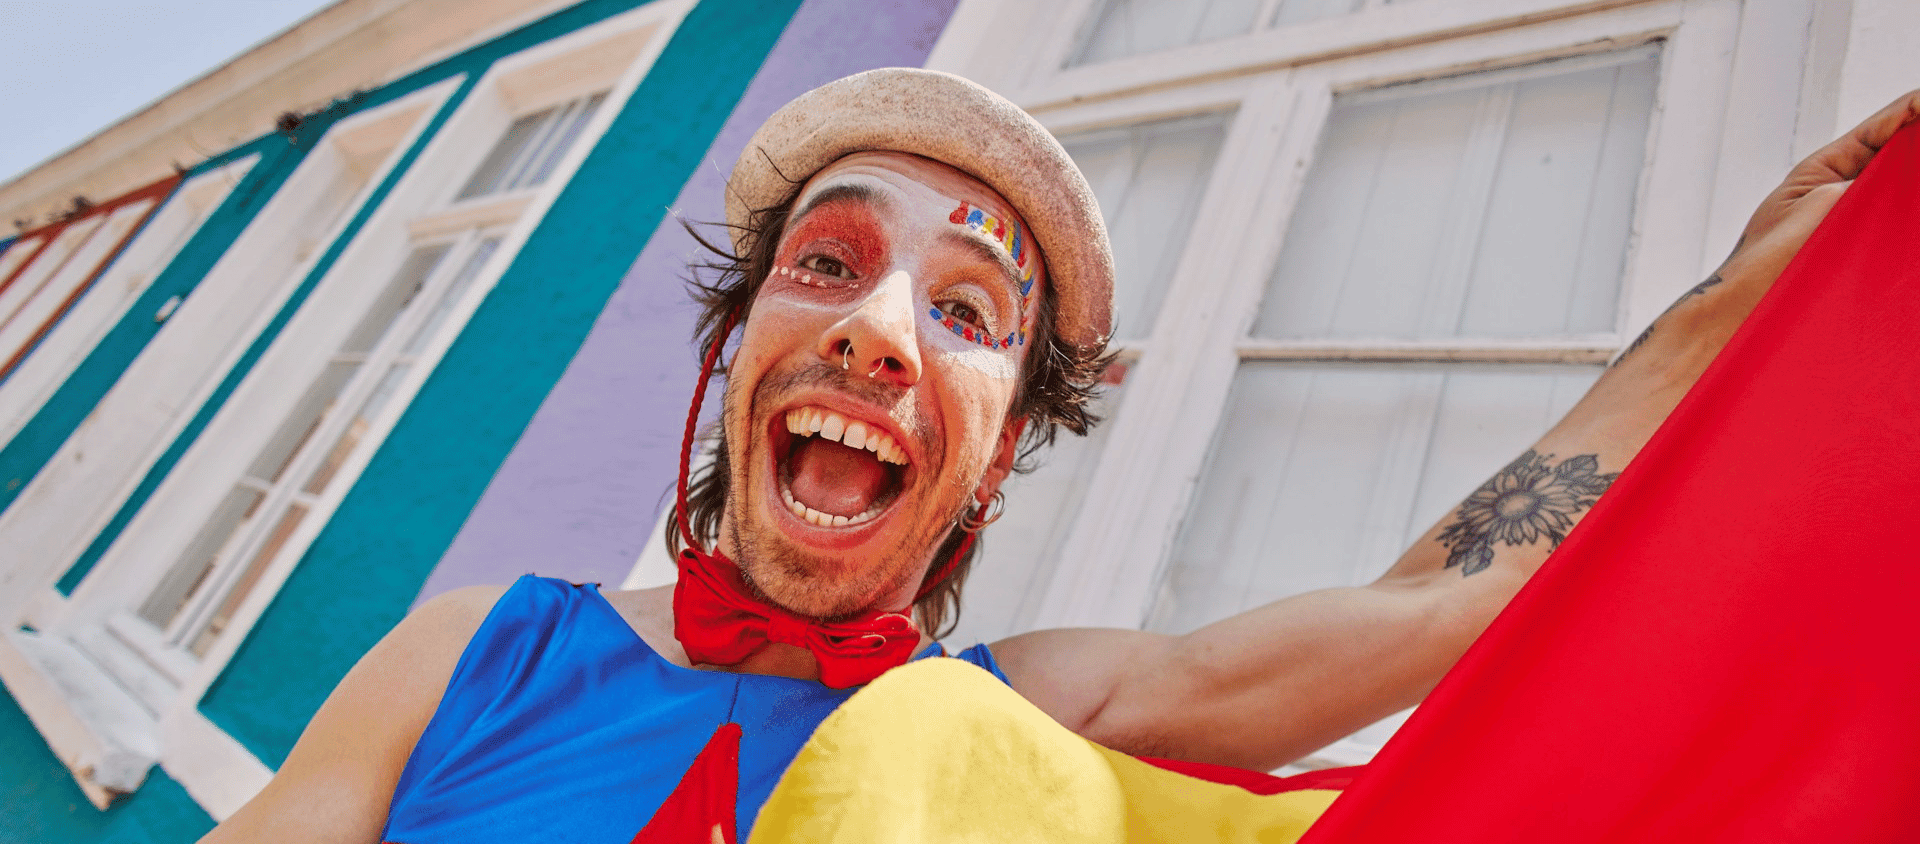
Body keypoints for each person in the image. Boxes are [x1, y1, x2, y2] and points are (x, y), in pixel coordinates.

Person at [199, 69, 1920, 842]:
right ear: (738, 362)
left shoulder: (1043, 717)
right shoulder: (469, 651)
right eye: (828, 265)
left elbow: (1429, 616)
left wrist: (1730, 309)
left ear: (999, 457)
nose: (880, 326)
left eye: (966, 309)